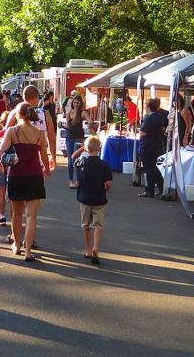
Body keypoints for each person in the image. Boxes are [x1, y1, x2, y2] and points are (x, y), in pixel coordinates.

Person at [0, 103, 51, 262]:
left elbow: (0, 152)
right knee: (31, 216)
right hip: (35, 175)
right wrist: (46, 170)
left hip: (16, 175)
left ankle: (17, 245)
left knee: (17, 214)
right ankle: (28, 251)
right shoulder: (40, 134)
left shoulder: (12, 131)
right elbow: (44, 157)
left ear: (18, 115)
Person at [76, 136, 113, 265]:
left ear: (86, 148)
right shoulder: (104, 164)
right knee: (98, 225)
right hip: (99, 198)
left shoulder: (81, 162)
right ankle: (96, 247)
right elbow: (108, 183)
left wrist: (82, 148)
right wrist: (106, 186)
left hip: (84, 198)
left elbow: (72, 157)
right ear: (100, 149)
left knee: (86, 225)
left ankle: (88, 250)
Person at [138, 98, 168, 197]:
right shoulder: (160, 117)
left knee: (149, 168)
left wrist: (139, 131)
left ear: (149, 107)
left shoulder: (149, 118)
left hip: (147, 145)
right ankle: (161, 186)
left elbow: (143, 133)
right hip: (156, 144)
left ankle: (149, 190)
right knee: (153, 167)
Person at [64, 94, 88, 188]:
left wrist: (91, 125)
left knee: (76, 159)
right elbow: (68, 125)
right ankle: (71, 181)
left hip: (78, 137)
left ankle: (78, 181)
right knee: (70, 160)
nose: (75, 104)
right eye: (74, 102)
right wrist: (62, 125)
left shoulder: (83, 113)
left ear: (80, 103)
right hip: (69, 137)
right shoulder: (69, 112)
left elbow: (90, 121)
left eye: (77, 103)